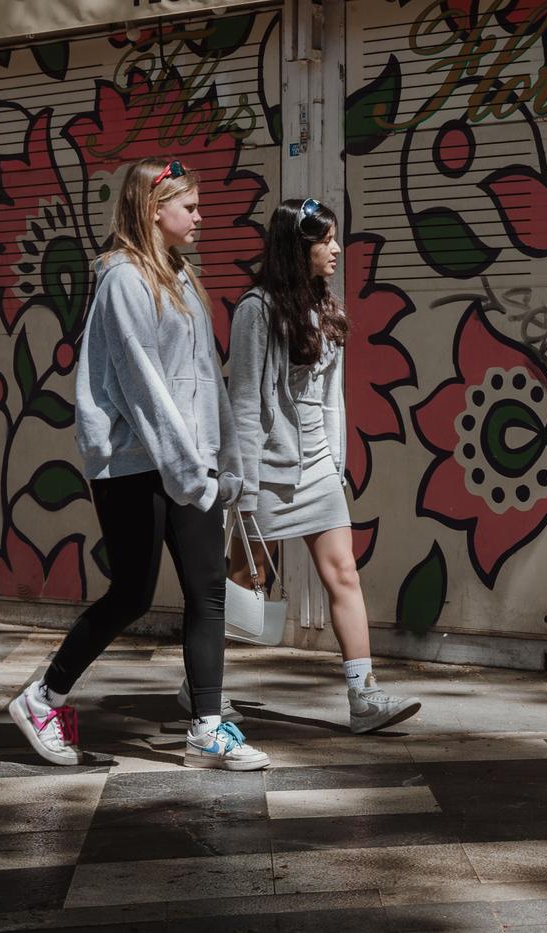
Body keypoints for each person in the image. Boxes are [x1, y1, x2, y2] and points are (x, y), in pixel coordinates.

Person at [5, 157, 267, 771]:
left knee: (208, 592)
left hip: (185, 462)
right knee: (132, 593)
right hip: (133, 464)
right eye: (190, 206)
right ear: (155, 209)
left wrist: (221, 460)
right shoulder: (123, 280)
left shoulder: (179, 276)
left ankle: (206, 727)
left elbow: (205, 380)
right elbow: (144, 386)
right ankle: (43, 698)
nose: (201, 216)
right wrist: (186, 469)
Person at [225, 197, 419, 734]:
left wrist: (335, 463)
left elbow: (332, 397)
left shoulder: (323, 307)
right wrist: (242, 489)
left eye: (335, 238)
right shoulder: (256, 310)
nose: (336, 249)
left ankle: (363, 697)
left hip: (317, 468)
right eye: (325, 240)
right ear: (298, 246)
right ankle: (202, 685)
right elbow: (244, 401)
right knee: (244, 584)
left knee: (344, 573)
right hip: (265, 469)